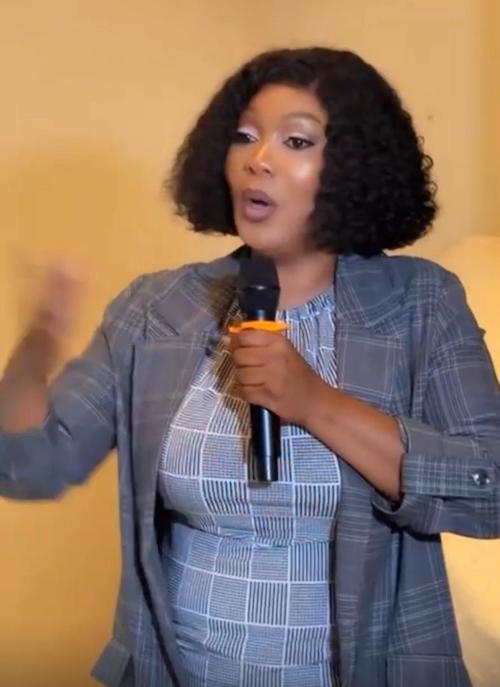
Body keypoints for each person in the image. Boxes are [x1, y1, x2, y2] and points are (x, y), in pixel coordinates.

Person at [0, 47, 499, 687]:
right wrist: (36, 350)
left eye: (296, 141)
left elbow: (488, 488)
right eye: (244, 136)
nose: (257, 159)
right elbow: (30, 466)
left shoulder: (420, 302)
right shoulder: (158, 307)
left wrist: (315, 403)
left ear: (353, 166)